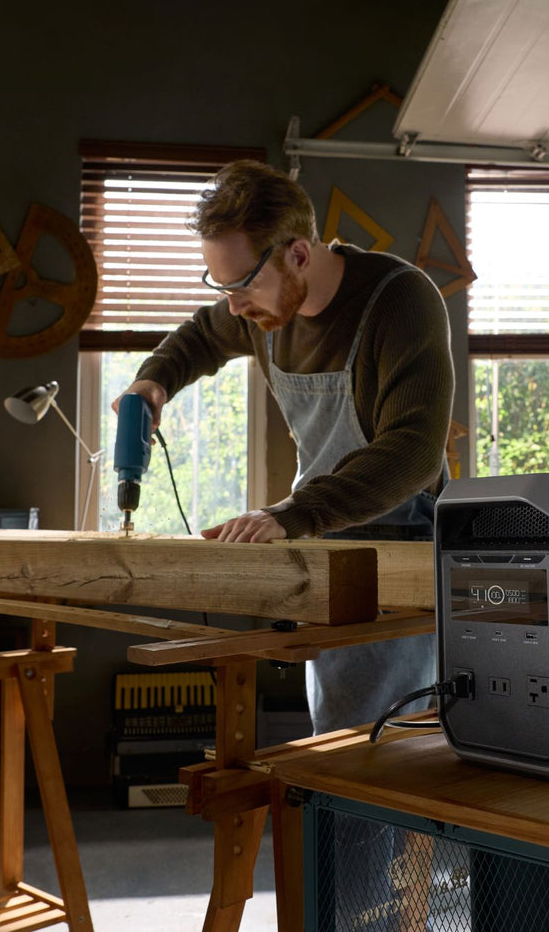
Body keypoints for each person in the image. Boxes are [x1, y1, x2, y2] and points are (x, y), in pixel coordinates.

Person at [115, 159, 454, 735]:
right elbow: (199, 335)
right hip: (319, 535)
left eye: (242, 284)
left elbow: (415, 451)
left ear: (298, 254)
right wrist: (155, 379)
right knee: (338, 737)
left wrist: (294, 513)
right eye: (219, 286)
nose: (234, 306)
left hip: (399, 539)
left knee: (388, 749)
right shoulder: (261, 308)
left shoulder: (400, 300)